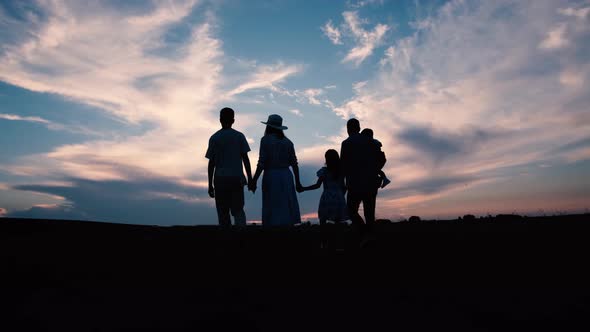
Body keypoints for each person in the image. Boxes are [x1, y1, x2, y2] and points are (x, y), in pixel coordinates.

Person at [249, 114, 302, 226]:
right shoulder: (288, 142)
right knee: (285, 205)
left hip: (271, 176)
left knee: (272, 204)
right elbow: (294, 164)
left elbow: (261, 163)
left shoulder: (265, 140)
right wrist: (297, 182)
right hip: (286, 176)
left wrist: (254, 180)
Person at [206, 107, 252, 227]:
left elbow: (211, 163)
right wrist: (250, 178)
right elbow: (245, 159)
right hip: (236, 178)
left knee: (222, 212)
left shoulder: (214, 138)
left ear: (220, 119)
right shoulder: (239, 136)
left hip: (220, 179)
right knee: (238, 211)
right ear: (233, 120)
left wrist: (209, 184)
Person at [298, 149, 348, 248]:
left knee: (323, 222)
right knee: (338, 223)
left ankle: (324, 243)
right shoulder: (341, 171)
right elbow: (344, 186)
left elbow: (317, 186)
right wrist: (341, 196)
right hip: (338, 197)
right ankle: (338, 244)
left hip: (327, 197)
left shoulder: (324, 171)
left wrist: (304, 189)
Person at [340, 118, 380, 241]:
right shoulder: (372, 141)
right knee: (369, 213)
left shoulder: (346, 143)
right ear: (358, 127)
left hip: (354, 182)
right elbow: (379, 159)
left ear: (348, 129)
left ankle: (363, 232)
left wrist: (342, 184)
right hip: (371, 182)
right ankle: (369, 236)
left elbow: (343, 165)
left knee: (351, 210)